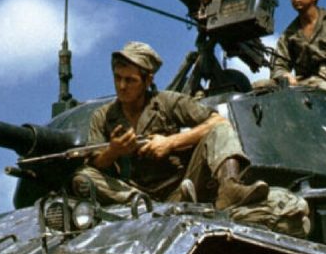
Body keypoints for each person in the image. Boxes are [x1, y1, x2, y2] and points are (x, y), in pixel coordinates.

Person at [71, 41, 269, 210]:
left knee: (219, 130)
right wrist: (114, 151)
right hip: (132, 194)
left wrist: (170, 143)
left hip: (182, 187)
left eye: (130, 80)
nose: (122, 86)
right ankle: (144, 207)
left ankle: (230, 188)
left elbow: (219, 121)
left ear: (148, 80)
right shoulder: (103, 116)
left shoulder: (167, 102)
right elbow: (95, 162)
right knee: (83, 177)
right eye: (118, 78)